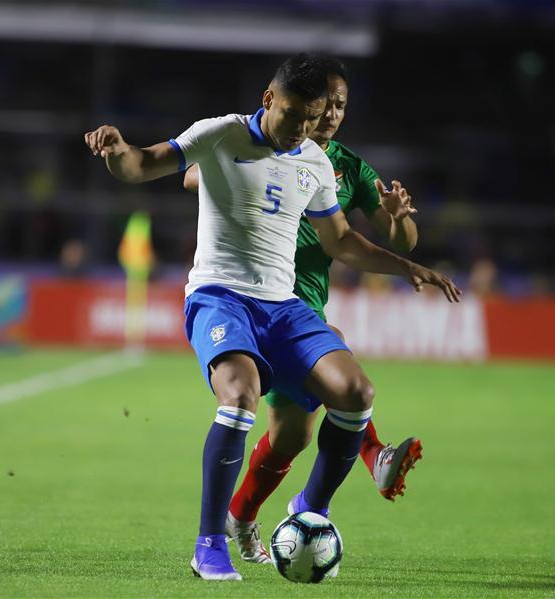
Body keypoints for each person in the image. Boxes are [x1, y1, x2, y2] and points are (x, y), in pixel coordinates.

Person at [84, 53, 460, 582]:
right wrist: (116, 147)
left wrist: (406, 266)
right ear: (268, 99)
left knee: (356, 395)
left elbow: (342, 241)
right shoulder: (220, 134)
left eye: (314, 118)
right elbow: (142, 164)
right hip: (221, 297)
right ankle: (209, 545)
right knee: (240, 397)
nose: (303, 129)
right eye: (295, 116)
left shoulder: (316, 162)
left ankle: (311, 512)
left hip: (284, 306)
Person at [183, 58, 423, 566]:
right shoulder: (256, 138)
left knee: (291, 437)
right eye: (323, 105)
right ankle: (365, 459)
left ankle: (245, 517)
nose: (331, 115)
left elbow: (376, 237)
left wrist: (400, 228)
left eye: (339, 106)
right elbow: (195, 172)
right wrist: (228, 173)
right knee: (275, 399)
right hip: (249, 296)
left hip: (298, 302)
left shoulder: (346, 167)